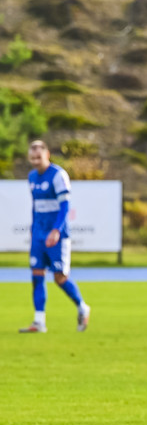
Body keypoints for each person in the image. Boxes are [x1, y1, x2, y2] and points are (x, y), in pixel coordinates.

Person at [19, 140, 90, 334]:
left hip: (56, 236)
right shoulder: (32, 176)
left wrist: (56, 230)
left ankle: (82, 306)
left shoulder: (58, 175)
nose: (35, 159)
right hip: (38, 235)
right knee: (36, 275)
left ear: (47, 154)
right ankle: (39, 322)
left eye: (39, 155)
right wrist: (33, 229)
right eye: (32, 156)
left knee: (59, 277)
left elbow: (65, 206)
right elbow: (35, 206)